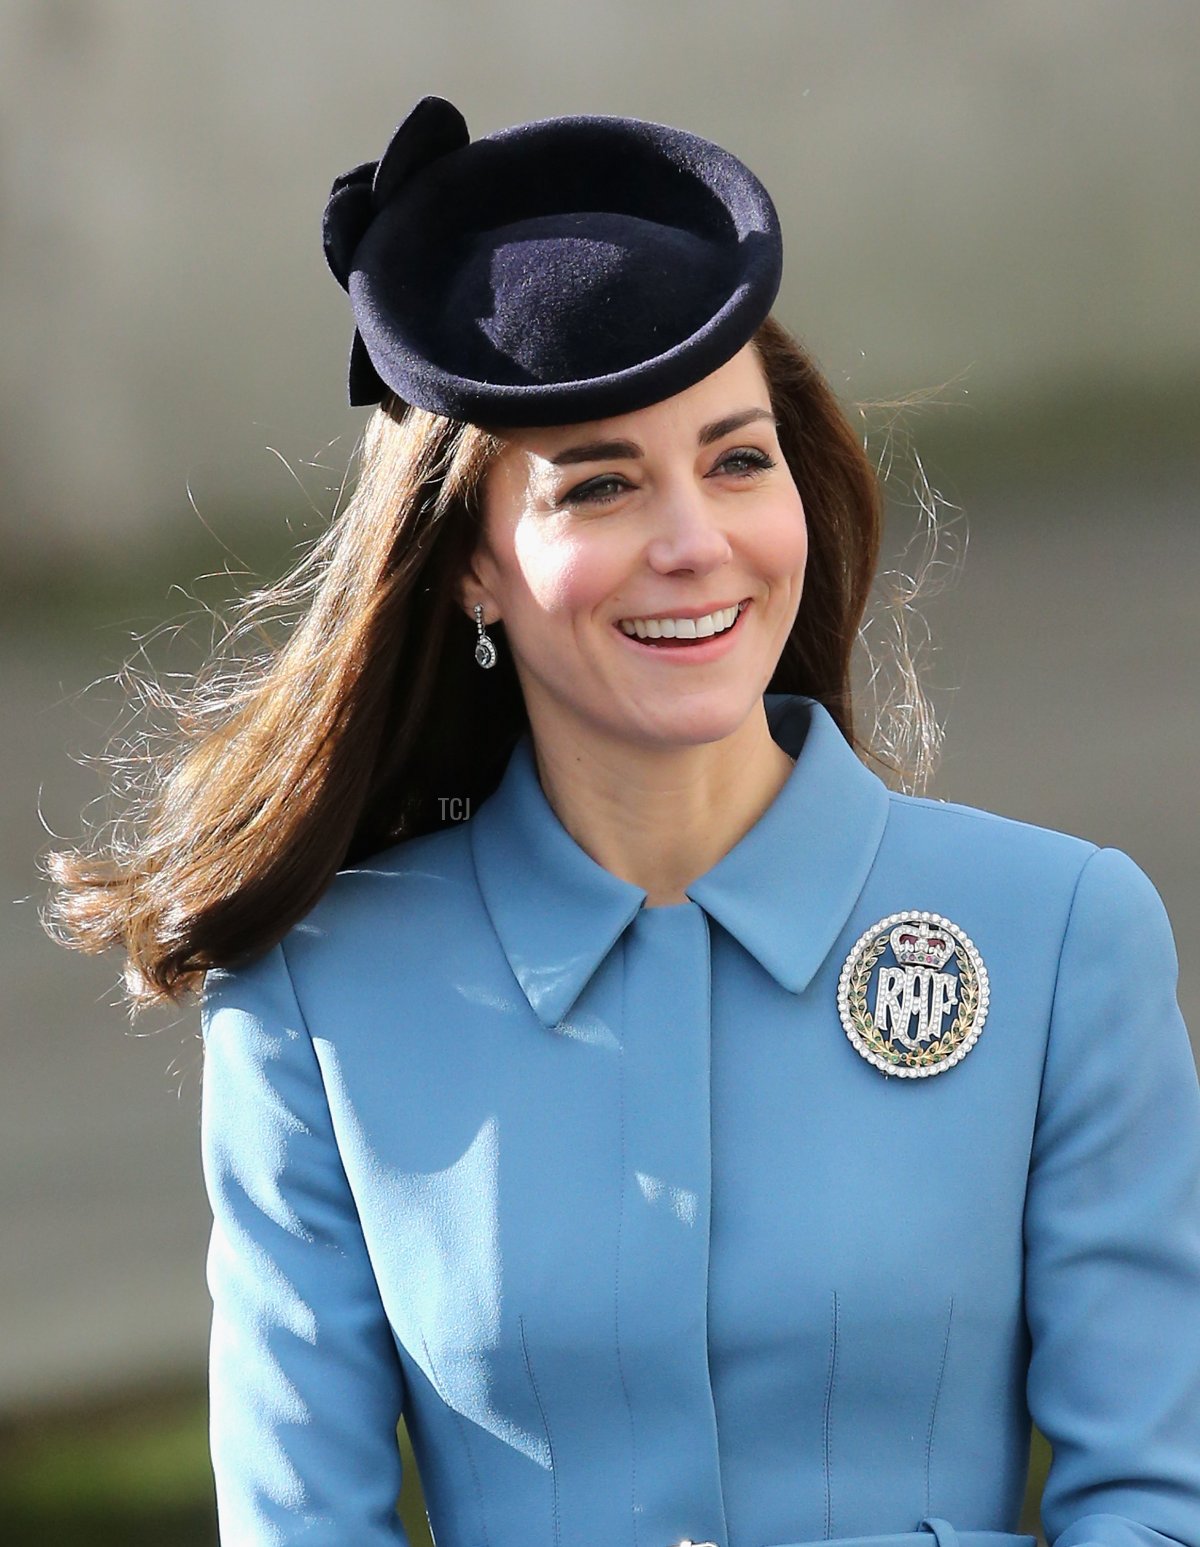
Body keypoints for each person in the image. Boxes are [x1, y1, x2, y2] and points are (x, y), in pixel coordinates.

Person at [42, 96, 1200, 1547]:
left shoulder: (1061, 940)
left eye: (736, 459)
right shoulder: (309, 1011)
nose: (695, 544)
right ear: (470, 568)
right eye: (600, 483)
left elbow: (1158, 1507)